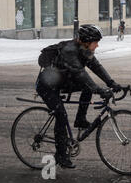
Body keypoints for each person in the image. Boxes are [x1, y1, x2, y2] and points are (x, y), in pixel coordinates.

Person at [36, 24, 123, 169]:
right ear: (87, 41)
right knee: (61, 115)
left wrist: (112, 83)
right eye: (96, 42)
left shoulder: (84, 50)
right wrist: (100, 90)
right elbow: (81, 74)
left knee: (87, 88)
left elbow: (96, 67)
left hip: (61, 81)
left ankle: (80, 119)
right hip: (47, 86)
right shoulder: (70, 51)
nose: (98, 45)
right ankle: (61, 155)